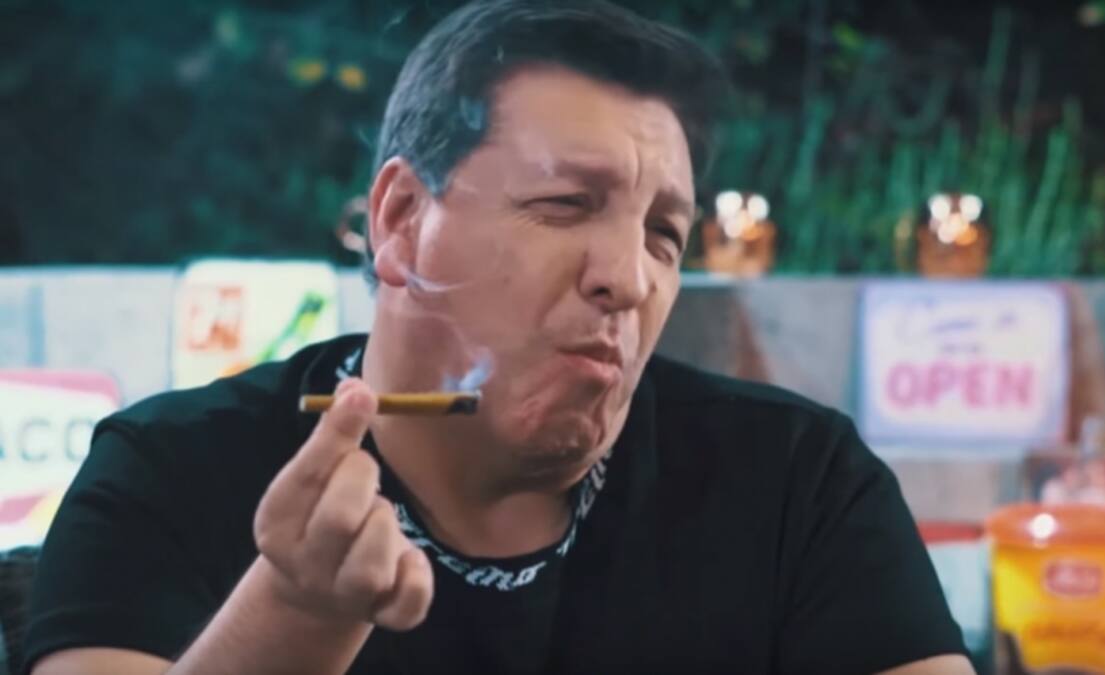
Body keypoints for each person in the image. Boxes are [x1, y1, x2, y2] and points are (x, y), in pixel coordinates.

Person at [23, 1, 972, 673]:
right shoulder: (172, 470)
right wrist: (297, 611)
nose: (628, 278)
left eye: (662, 234)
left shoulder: (797, 484)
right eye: (566, 205)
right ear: (401, 222)